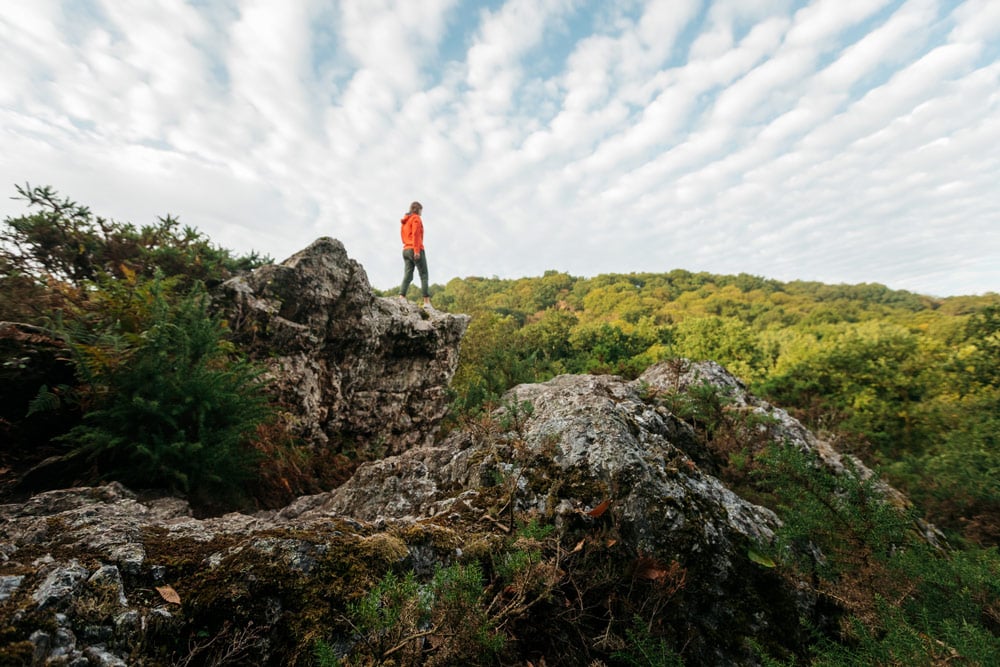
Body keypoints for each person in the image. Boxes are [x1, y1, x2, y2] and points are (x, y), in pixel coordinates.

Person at [399, 201, 431, 307]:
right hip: (415, 248)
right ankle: (426, 302)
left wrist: (408, 245)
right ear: (418, 210)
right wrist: (417, 251)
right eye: (421, 210)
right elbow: (416, 234)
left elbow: (403, 236)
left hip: (406, 250)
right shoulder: (416, 218)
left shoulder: (405, 221)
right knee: (424, 275)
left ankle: (401, 297)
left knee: (408, 275)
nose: (422, 212)